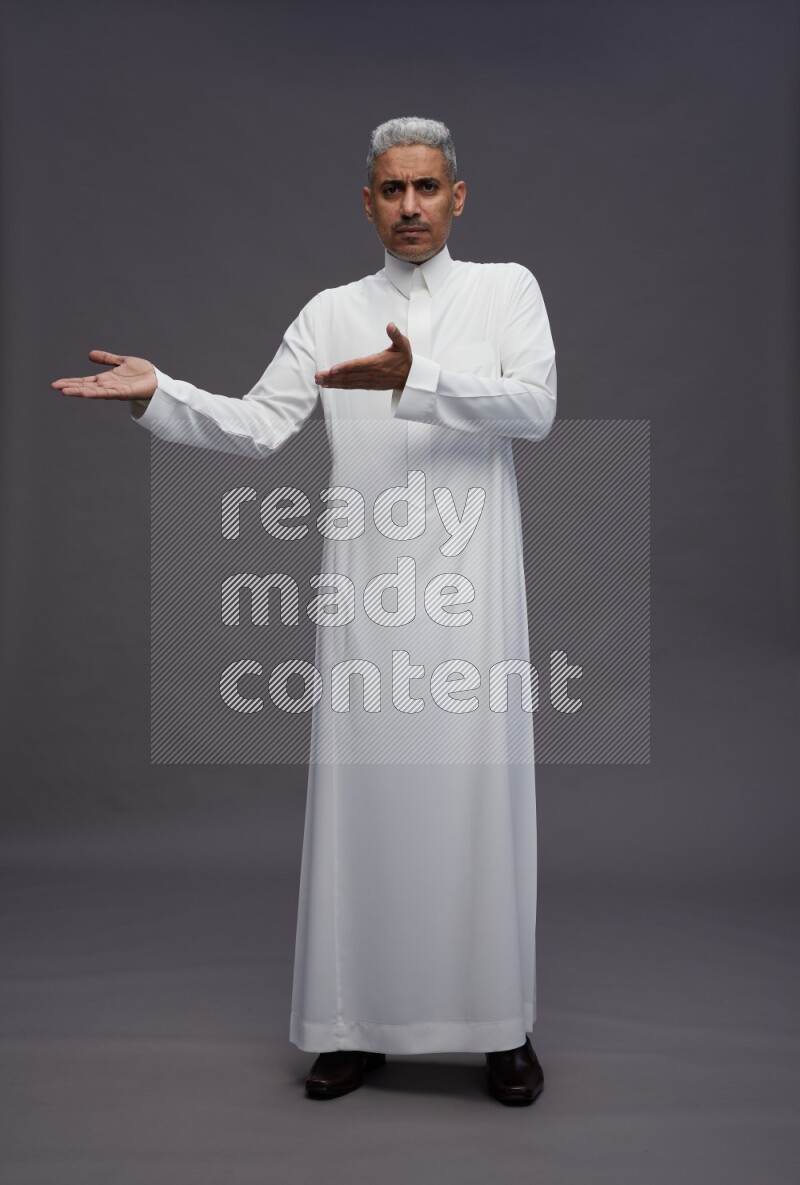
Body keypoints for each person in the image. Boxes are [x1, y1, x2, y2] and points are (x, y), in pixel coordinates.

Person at [52, 116, 556, 1106]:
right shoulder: (331, 312)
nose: (408, 206)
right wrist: (161, 393)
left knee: (475, 810)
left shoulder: (507, 290)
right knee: (365, 812)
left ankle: (500, 1027)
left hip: (473, 604)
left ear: (457, 197)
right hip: (367, 599)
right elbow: (256, 427)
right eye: (388, 190)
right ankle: (351, 1026)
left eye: (424, 187)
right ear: (365, 202)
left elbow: (532, 408)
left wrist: (421, 380)